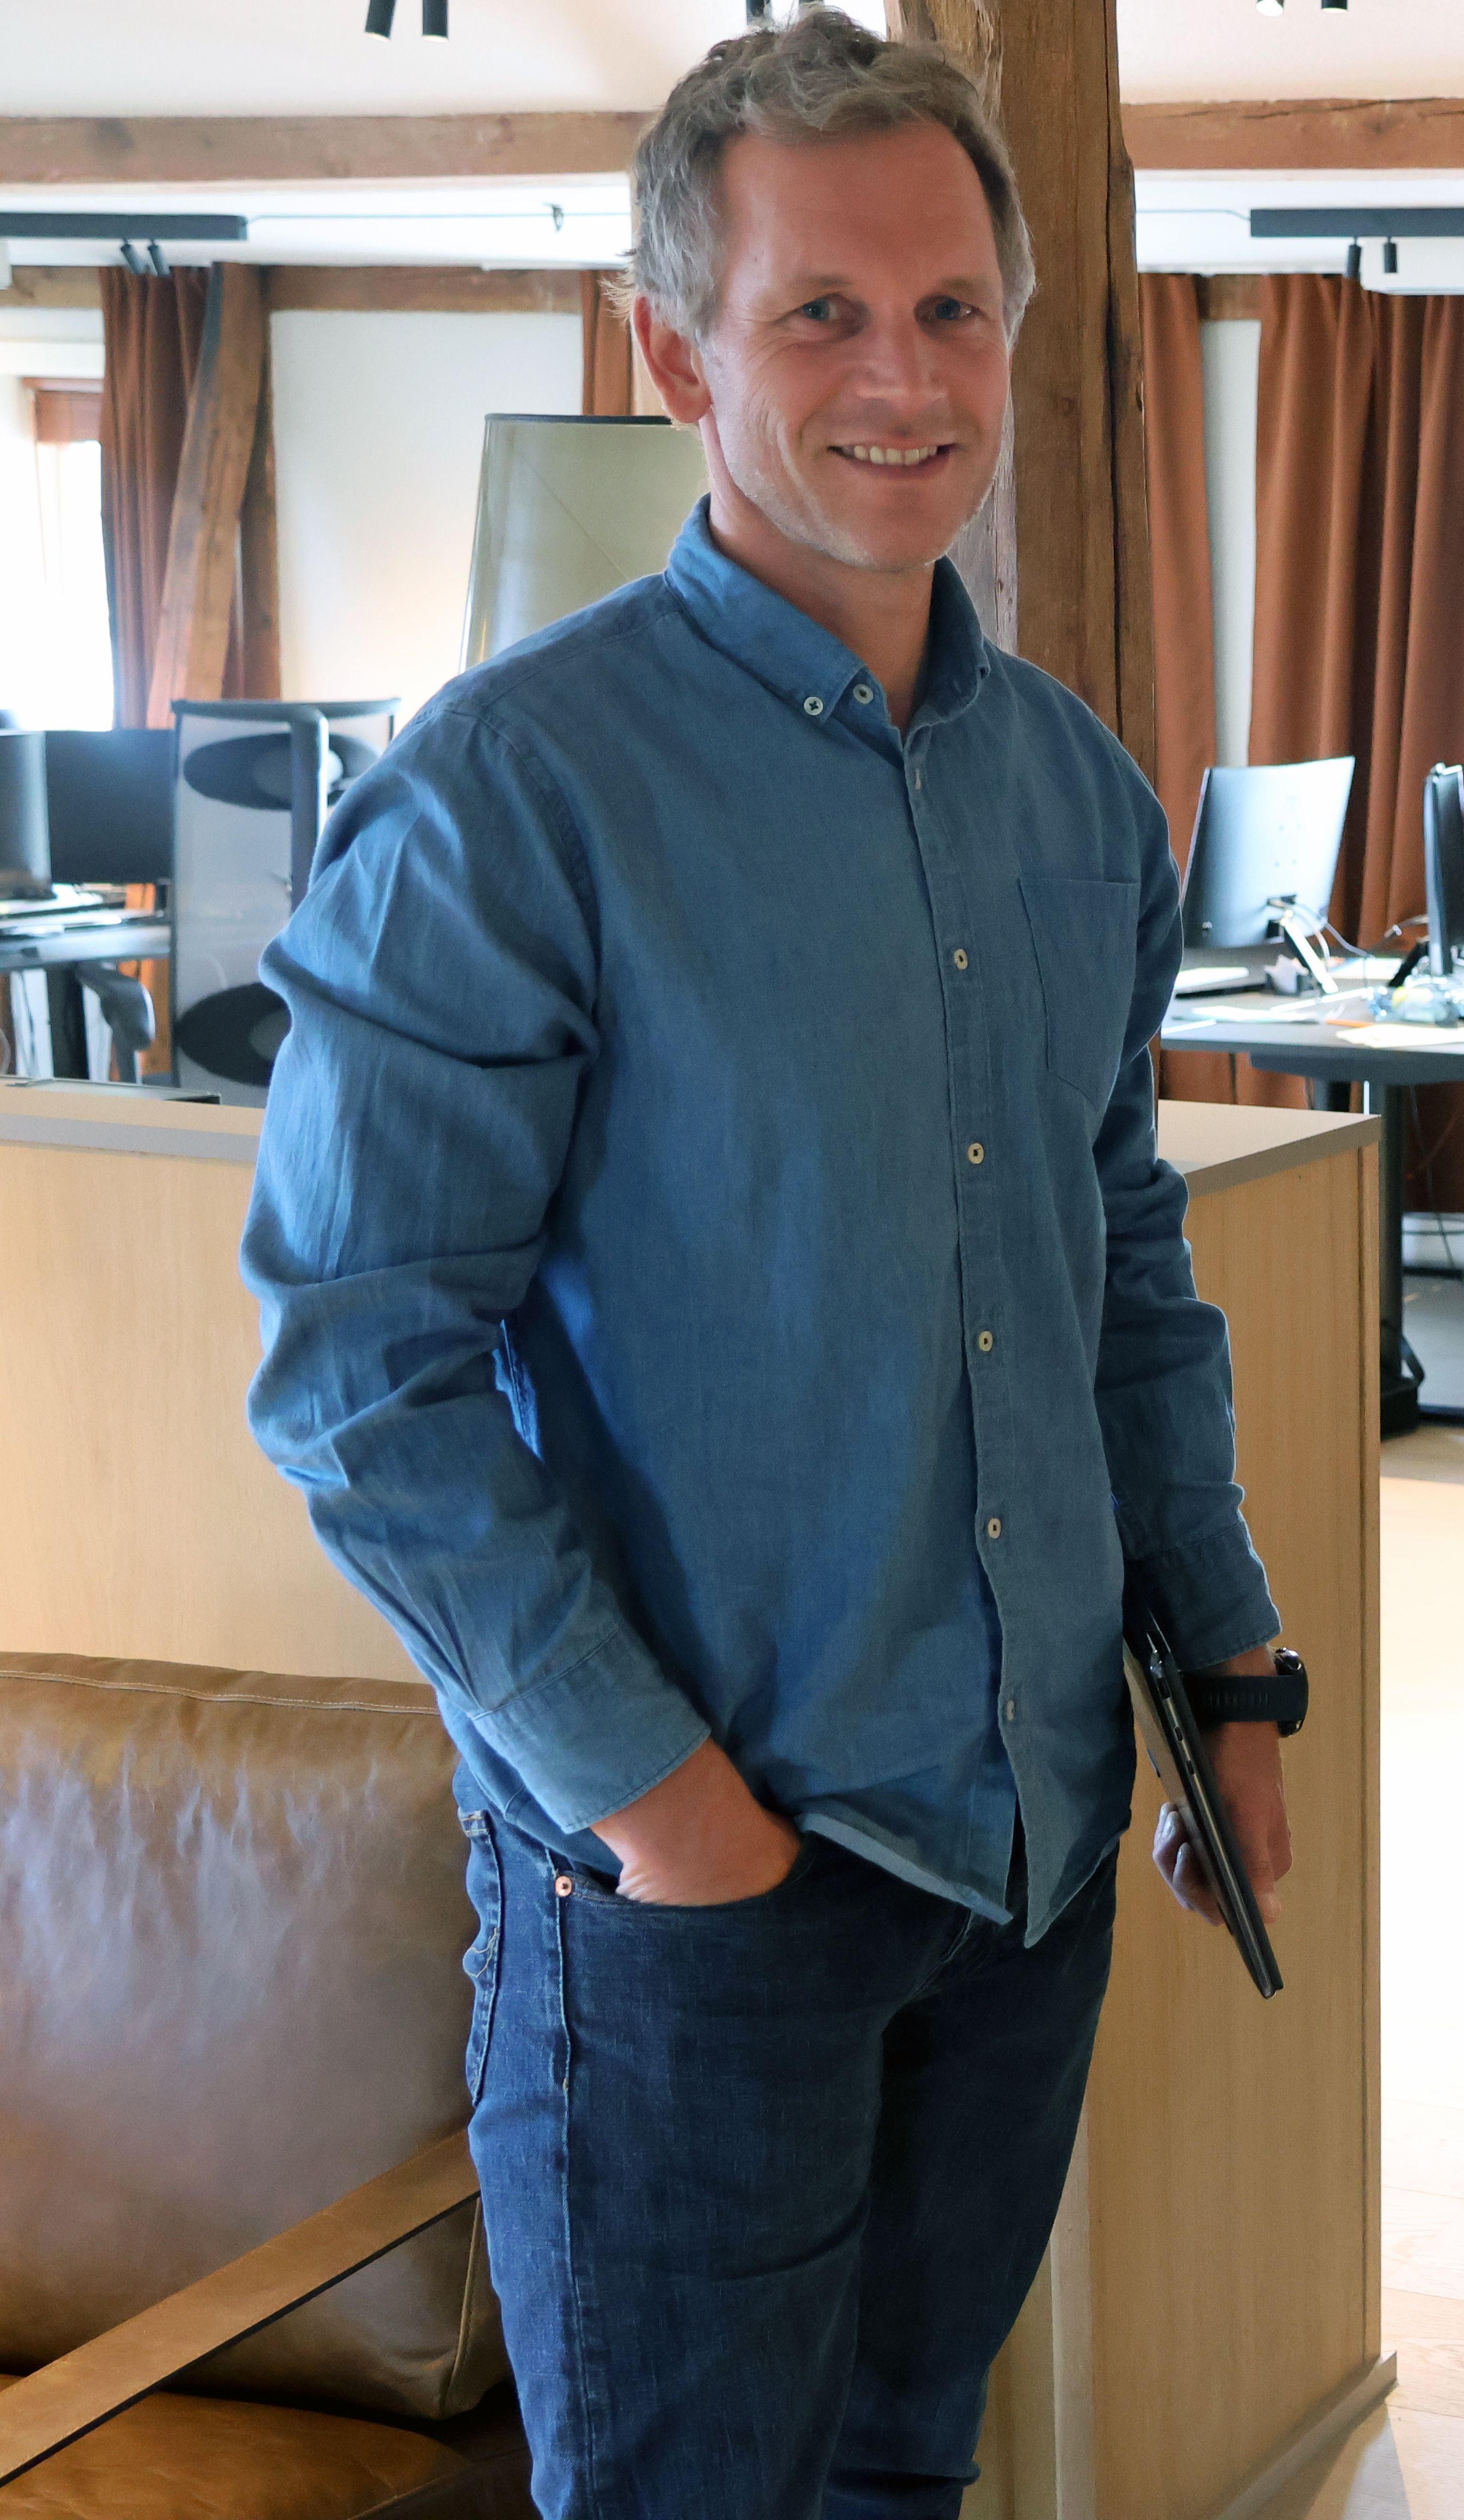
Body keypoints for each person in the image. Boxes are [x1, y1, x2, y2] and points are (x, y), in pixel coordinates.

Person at [240, 17, 1300, 2515]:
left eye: (951, 312)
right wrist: (668, 1809)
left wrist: (1230, 1668)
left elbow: (1122, 1266)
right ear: (676, 350)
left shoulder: (1077, 796)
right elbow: (361, 1370)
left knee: (903, 2477)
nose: (903, 379)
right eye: (820, 312)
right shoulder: (507, 794)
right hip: (700, 1898)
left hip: (1029, 1856)